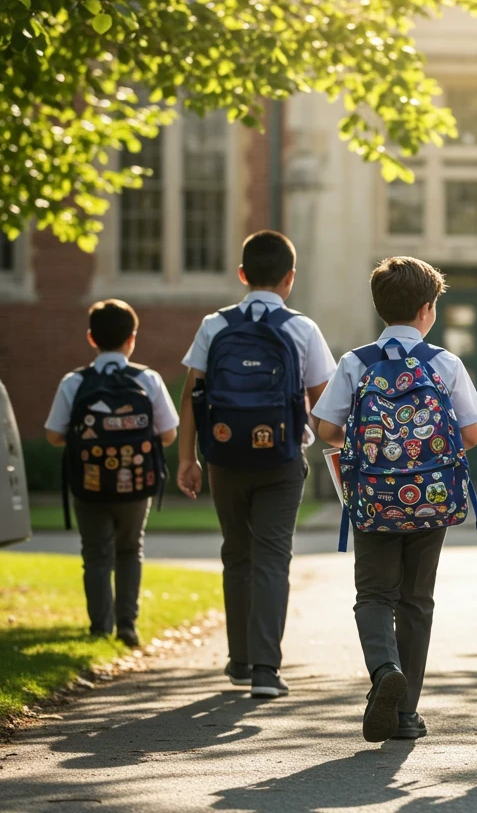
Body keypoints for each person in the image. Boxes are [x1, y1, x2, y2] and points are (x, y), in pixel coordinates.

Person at [314, 256, 477, 742]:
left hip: (372, 498)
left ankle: (384, 668)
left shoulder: (356, 363)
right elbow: (471, 435)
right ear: (428, 310)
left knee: (373, 594)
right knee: (416, 600)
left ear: (378, 308)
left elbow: (327, 428)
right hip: (431, 499)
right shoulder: (445, 364)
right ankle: (407, 713)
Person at [176, 230, 337, 698]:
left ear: (243, 275)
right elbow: (321, 405)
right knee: (272, 558)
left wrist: (189, 458)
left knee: (237, 554)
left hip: (223, 456)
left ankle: (239, 660)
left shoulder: (215, 325)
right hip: (282, 460)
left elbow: (192, 395)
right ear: (290, 278)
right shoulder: (301, 329)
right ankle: (266, 669)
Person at [45, 300, 180, 647]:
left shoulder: (74, 382)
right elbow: (168, 434)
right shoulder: (147, 379)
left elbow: (54, 435)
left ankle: (99, 627)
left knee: (95, 553)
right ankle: (127, 626)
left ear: (91, 339)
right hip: (137, 482)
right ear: (132, 339)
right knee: (130, 549)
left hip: (88, 483)